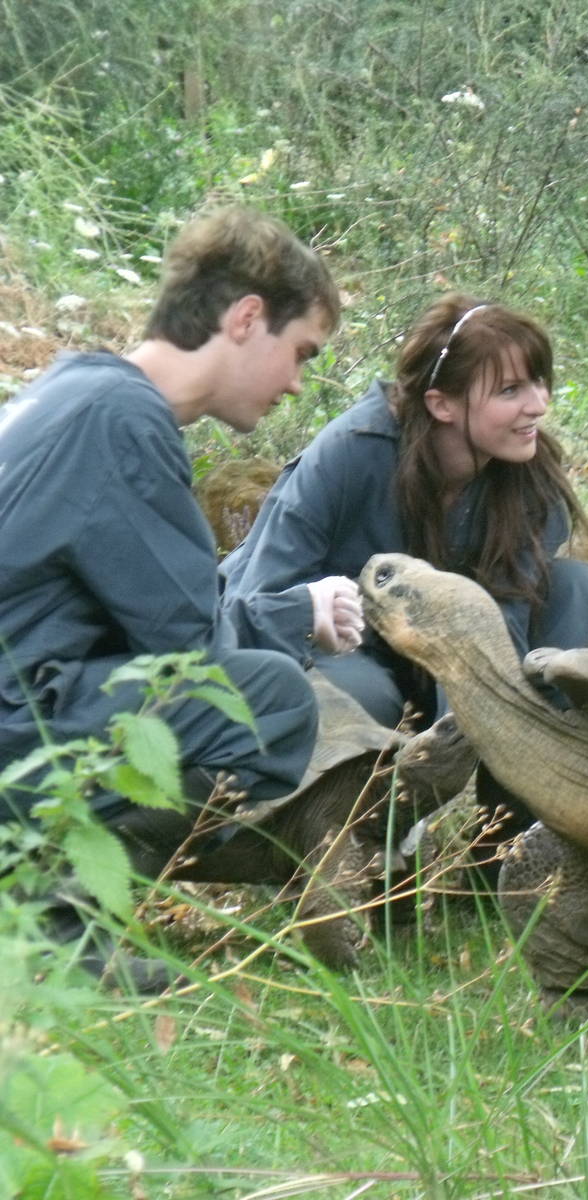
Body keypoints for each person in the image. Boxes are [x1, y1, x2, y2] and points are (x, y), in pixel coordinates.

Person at [0, 205, 341, 988]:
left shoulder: (75, 388)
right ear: (247, 318)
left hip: (19, 699)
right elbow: (192, 649)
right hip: (11, 723)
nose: (296, 381)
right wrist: (296, 620)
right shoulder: (122, 423)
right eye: (301, 353)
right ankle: (49, 929)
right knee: (270, 706)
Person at [219, 293, 588, 734]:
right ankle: (366, 795)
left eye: (539, 382)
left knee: (578, 591)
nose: (538, 405)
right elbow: (260, 598)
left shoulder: (529, 475)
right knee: (360, 694)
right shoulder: (352, 452)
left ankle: (539, 794)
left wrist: (475, 715)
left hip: (456, 666)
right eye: (511, 390)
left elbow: (505, 620)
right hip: (347, 655)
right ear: (441, 404)